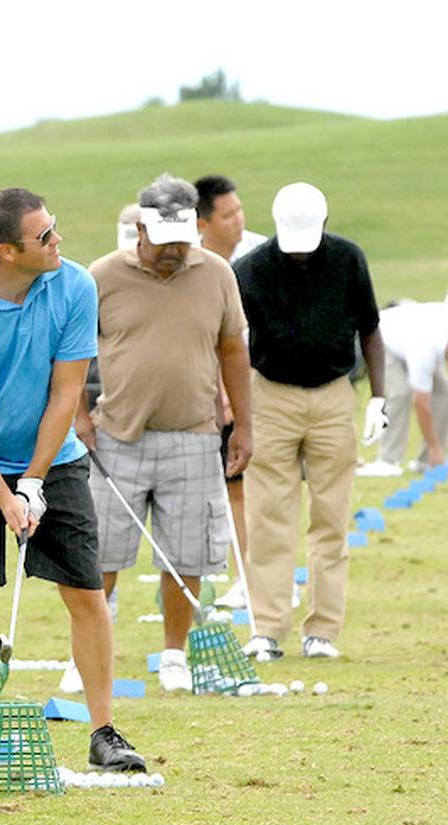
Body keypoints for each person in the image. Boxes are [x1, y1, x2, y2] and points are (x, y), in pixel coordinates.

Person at [0, 187, 147, 777]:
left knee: (87, 594)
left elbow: (67, 393)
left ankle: (103, 730)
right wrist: (4, 495)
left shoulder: (73, 286)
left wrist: (35, 482)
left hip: (55, 456)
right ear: (5, 252)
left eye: (54, 228)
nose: (57, 241)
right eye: (44, 236)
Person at [75, 174, 249, 693]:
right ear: (141, 228)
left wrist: (244, 423)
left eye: (183, 240)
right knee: (102, 553)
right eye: (165, 240)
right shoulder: (101, 276)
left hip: (195, 433)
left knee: (187, 553)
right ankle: (87, 654)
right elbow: (71, 352)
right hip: (115, 436)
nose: (175, 251)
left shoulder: (217, 274)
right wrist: (79, 417)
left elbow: (234, 350)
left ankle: (175, 653)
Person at [233, 182, 388, 663]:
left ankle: (323, 629)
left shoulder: (348, 259)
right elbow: (232, 344)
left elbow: (370, 329)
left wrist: (379, 398)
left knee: (331, 518)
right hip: (270, 396)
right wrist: (236, 410)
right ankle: (268, 628)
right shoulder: (250, 269)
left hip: (333, 397)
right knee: (269, 520)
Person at [195, 173, 266, 608]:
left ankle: (251, 578)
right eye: (228, 214)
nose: (239, 220)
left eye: (240, 210)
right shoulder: (189, 265)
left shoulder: (257, 256)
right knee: (215, 490)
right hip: (200, 394)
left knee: (242, 486)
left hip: (252, 387)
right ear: (203, 222)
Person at [357, 276, 448, 476]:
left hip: (410, 337)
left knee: (445, 392)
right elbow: (421, 403)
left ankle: (428, 462)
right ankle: (387, 461)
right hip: (384, 338)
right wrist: (435, 447)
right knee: (400, 393)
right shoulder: (424, 351)